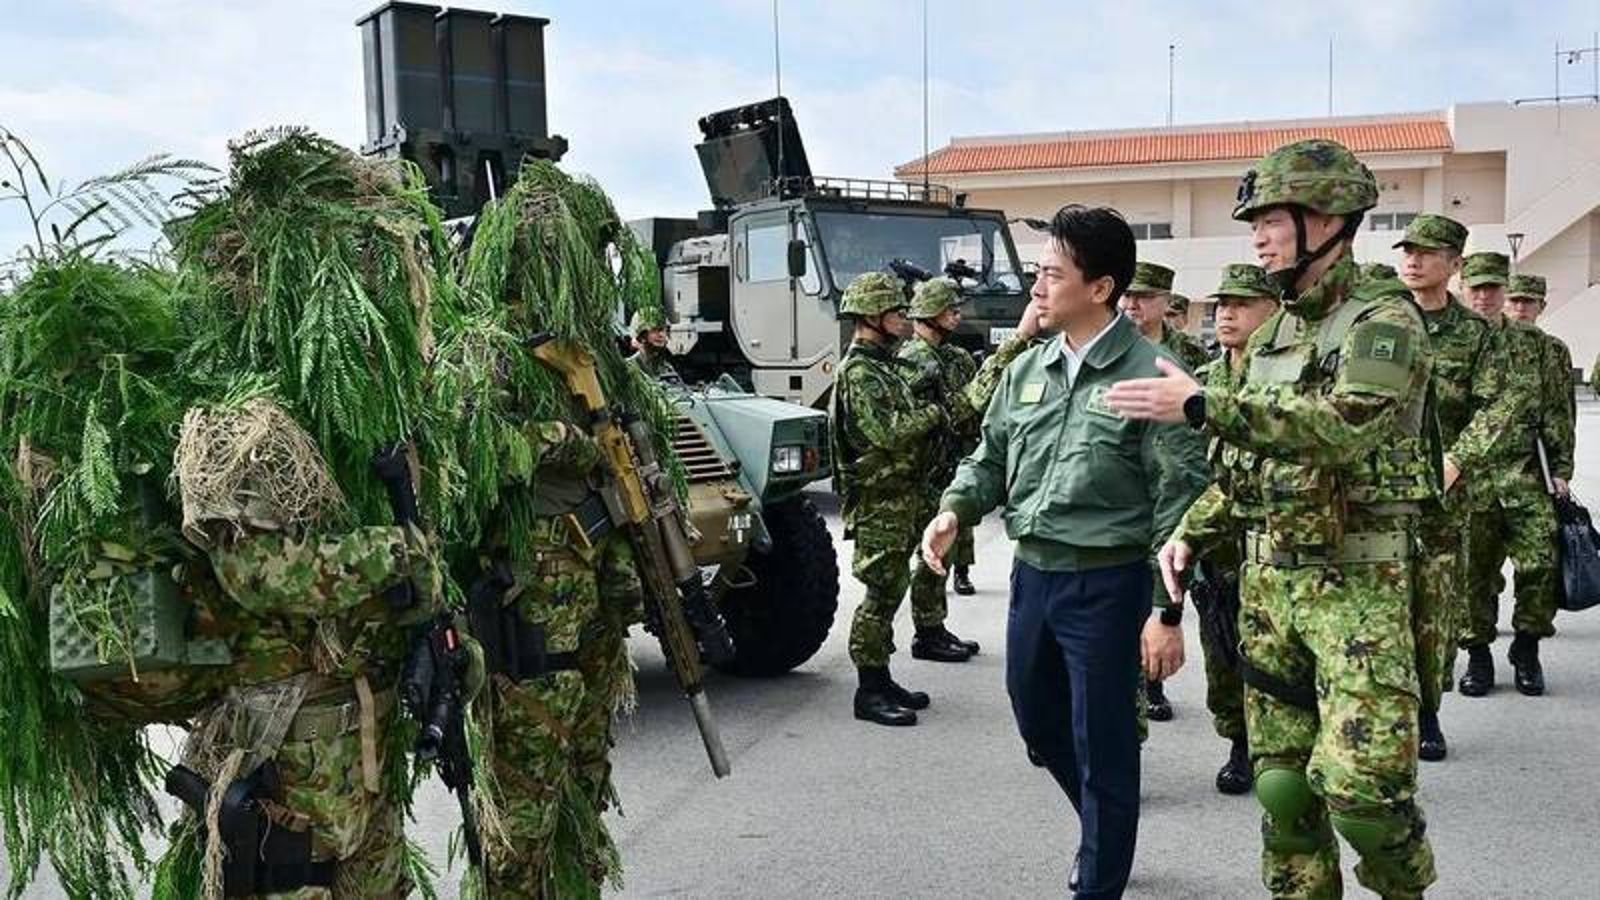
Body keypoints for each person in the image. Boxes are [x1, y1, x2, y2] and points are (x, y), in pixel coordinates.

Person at [1106, 139, 1439, 899]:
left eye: (1269, 221)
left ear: (1325, 218)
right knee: (1284, 792)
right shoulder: (1276, 333)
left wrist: (1203, 404)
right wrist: (1192, 530)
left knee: (1365, 799)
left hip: (1359, 587)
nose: (1257, 238)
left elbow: (1346, 425)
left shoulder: (1383, 321)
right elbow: (1249, 469)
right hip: (1269, 590)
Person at [921, 204, 1206, 898]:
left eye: (1052, 274)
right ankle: (1105, 825)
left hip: (1107, 581)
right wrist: (955, 508)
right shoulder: (1030, 368)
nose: (1037, 287)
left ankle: (1100, 874)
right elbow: (990, 455)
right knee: (1036, 716)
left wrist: (1166, 612)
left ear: (1100, 287)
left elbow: (1179, 501)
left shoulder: (1152, 376)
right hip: (1034, 575)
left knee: (1102, 736)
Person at [1394, 219, 1518, 762]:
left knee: (1433, 613)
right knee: (1373, 610)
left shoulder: (1478, 334)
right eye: (1408, 251)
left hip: (1442, 500)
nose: (1414, 260)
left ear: (1455, 264)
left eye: (1427, 253)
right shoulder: (1381, 318)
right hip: (1378, 495)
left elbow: (1498, 406)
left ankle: (1428, 712)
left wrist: (1457, 459)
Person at [899, 277, 1040, 659]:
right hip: (922, 473)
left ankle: (933, 628)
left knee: (942, 554)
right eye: (950, 309)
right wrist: (1018, 340)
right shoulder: (914, 359)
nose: (958, 315)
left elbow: (981, 401)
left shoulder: (954, 357)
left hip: (951, 468)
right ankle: (926, 632)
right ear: (929, 313)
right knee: (928, 555)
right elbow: (962, 407)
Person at [832, 271, 947, 725]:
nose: (903, 317)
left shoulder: (883, 365)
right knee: (880, 593)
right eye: (896, 311)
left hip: (899, 495)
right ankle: (868, 690)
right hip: (879, 499)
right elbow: (888, 432)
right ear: (871, 316)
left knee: (893, 586)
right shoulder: (860, 372)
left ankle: (881, 679)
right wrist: (934, 413)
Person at [1188, 262, 1279, 795]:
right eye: (1222, 304)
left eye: (1241, 304)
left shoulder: (1285, 381)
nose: (1226, 313)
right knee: (1222, 647)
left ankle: (1281, 747)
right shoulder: (1201, 382)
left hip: (1275, 539)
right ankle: (1238, 741)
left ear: (1274, 310)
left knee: (1277, 652)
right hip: (1218, 541)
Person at [1457, 269, 1566, 697]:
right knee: (1472, 575)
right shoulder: (1452, 339)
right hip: (1469, 478)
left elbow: (1557, 409)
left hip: (1526, 474)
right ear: (1463, 289)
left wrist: (1561, 469)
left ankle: (1527, 647)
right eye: (1477, 288)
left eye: (1493, 288)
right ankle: (1478, 656)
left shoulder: (1537, 345)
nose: (1485, 296)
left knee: (1542, 564)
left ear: (1504, 290)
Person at [1117, 260, 1210, 722]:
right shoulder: (1111, 348)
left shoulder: (1188, 353)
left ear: (1166, 302)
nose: (1133, 304)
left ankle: (1152, 681)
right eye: (1128, 295)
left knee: (1165, 583)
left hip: (1174, 483)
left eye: (1144, 296)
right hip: (1127, 487)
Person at [629, 308, 679, 381]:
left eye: (664, 330)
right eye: (655, 330)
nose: (662, 335)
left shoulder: (666, 368)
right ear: (642, 336)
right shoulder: (629, 368)